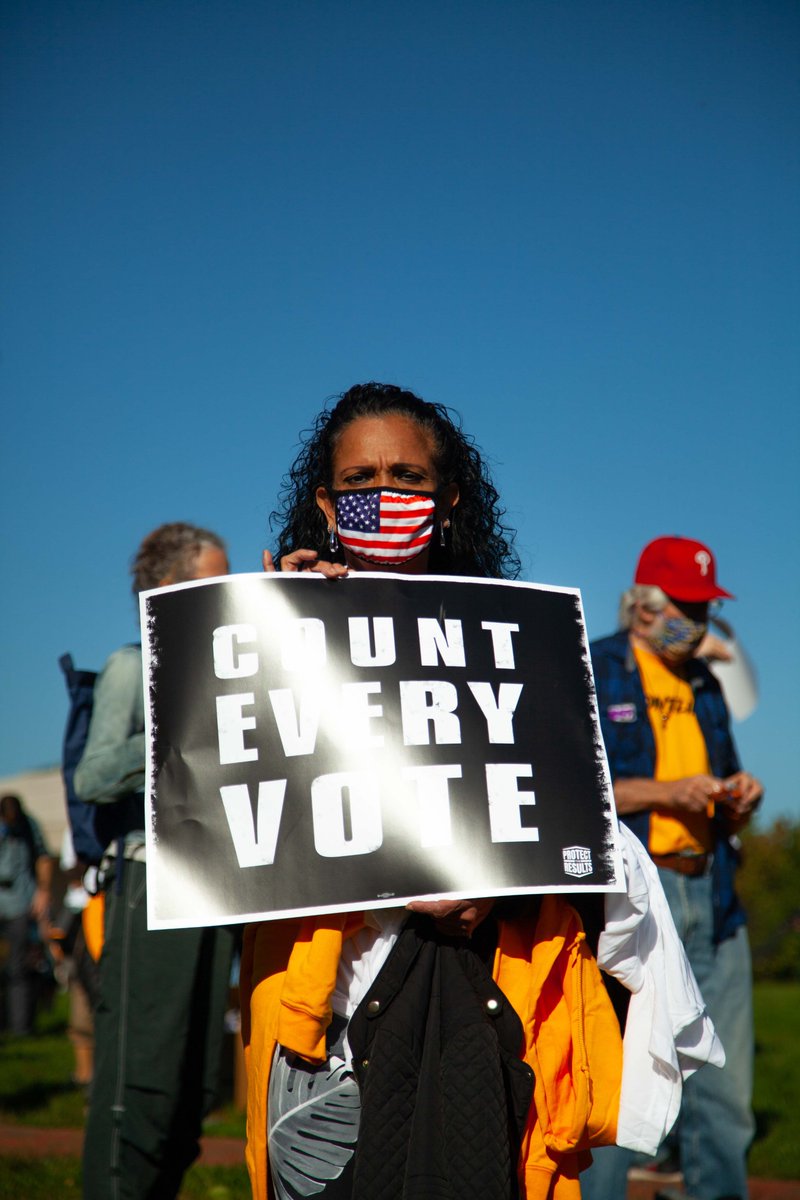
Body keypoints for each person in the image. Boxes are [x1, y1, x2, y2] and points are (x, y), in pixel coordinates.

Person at [240, 383, 624, 1200]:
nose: (383, 493)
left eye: (407, 478)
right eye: (359, 480)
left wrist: (504, 888)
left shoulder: (518, 645)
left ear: (447, 498)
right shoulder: (271, 627)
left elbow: (571, 823)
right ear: (325, 500)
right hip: (326, 1020)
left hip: (475, 999)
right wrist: (279, 625)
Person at [583, 536, 761, 1200]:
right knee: (615, 1083)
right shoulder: (592, 666)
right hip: (633, 899)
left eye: (705, 607)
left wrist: (739, 797)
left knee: (724, 1095)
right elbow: (578, 791)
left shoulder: (706, 684)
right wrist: (667, 791)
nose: (700, 620)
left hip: (710, 891)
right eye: (688, 605)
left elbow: (721, 786)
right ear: (643, 605)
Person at [76, 522, 236, 1200]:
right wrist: (178, 736)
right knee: (140, 1080)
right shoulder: (129, 665)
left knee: (195, 1083)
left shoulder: (233, 675)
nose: (230, 596)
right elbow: (92, 777)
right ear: (169, 588)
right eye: (215, 581)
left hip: (216, 887)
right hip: (148, 880)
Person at [0, 793, 53, 1035]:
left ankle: (21, 1025)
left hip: (21, 902)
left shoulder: (30, 826)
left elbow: (44, 857)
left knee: (19, 967)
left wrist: (43, 891)